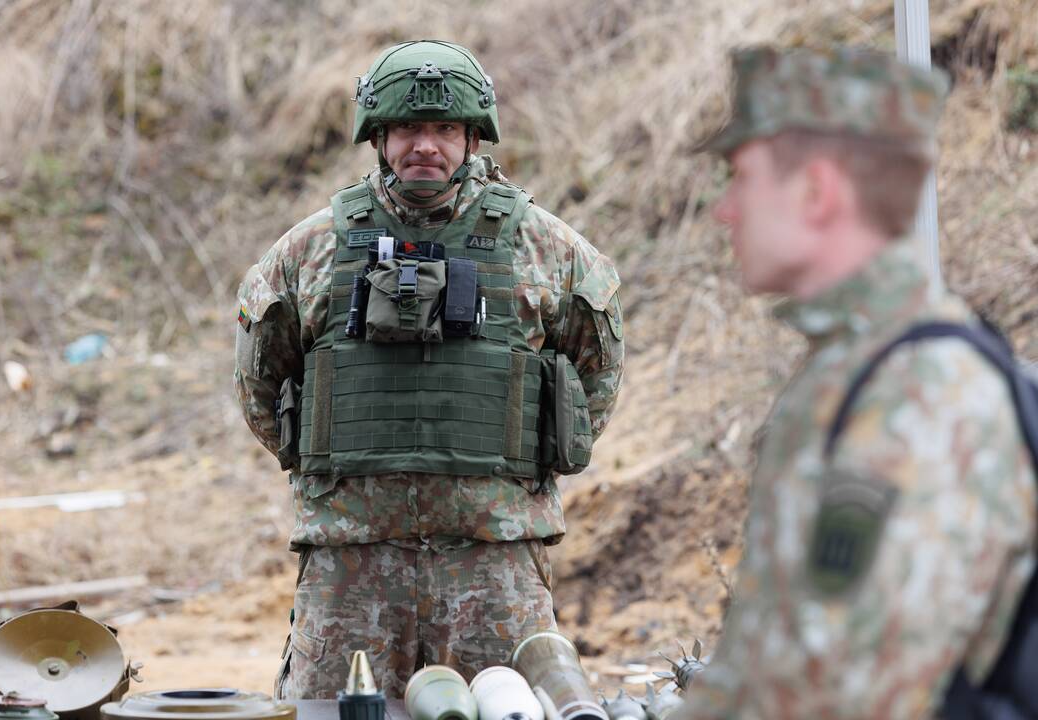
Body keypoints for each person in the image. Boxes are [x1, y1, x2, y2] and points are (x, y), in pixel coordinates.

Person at [233, 40, 624, 699]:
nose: (425, 145)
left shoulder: (549, 250)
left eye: (444, 129)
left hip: (491, 564)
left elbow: (594, 384)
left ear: (473, 137)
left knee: (510, 713)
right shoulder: (309, 252)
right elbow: (261, 388)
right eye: (409, 128)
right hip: (351, 566)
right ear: (378, 136)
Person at [676, 45, 1036, 718]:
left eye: (741, 177)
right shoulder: (849, 371)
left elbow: (842, 695)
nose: (725, 210)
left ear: (817, 191)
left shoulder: (921, 398)